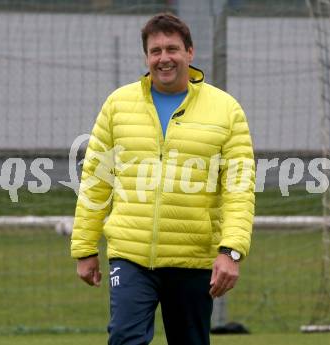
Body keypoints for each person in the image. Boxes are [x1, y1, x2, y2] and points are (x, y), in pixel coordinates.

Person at [71, 13, 255, 345]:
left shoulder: (226, 110)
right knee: (125, 338)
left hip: (194, 257)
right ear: (146, 57)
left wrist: (231, 251)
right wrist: (85, 247)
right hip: (131, 255)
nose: (164, 58)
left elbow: (238, 189)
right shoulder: (118, 105)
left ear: (190, 53)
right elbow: (96, 181)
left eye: (172, 49)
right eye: (155, 51)